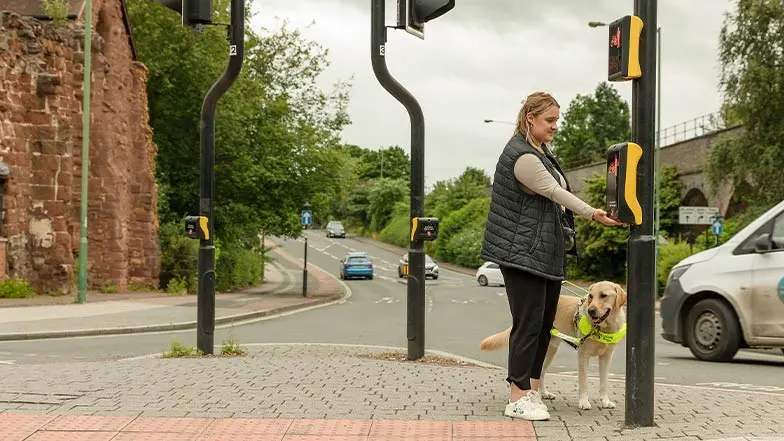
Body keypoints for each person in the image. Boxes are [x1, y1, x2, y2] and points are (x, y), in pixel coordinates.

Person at [480, 91, 623, 421]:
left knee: (545, 325)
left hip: (542, 251)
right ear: (530, 118)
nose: (556, 126)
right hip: (523, 253)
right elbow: (555, 192)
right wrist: (592, 213)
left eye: (558, 120)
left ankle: (532, 387)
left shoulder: (538, 150)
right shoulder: (524, 157)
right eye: (550, 120)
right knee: (528, 325)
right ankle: (517, 396)